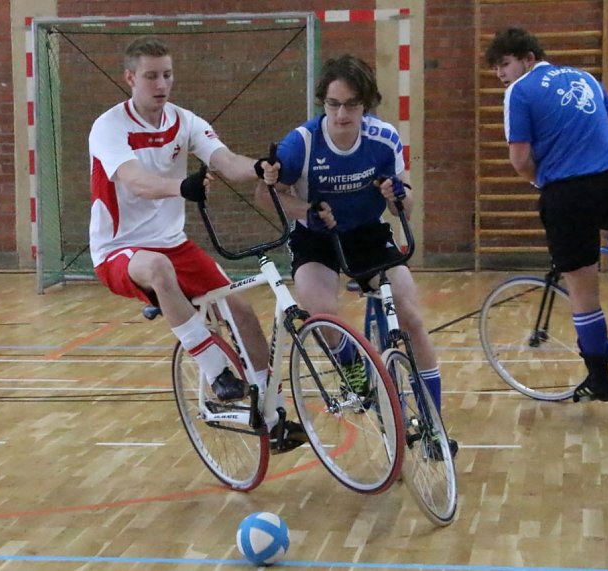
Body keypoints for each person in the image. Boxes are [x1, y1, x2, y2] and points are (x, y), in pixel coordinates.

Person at [88, 35, 306, 452]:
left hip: (173, 243)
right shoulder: (109, 127)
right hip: (119, 249)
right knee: (158, 269)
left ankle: (274, 414)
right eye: (150, 76)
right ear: (130, 78)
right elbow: (135, 180)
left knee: (241, 310)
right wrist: (181, 186)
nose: (160, 84)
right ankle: (215, 368)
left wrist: (258, 168)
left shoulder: (184, 121)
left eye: (166, 75)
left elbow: (224, 161)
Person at [256, 54, 457, 456]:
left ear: (365, 104)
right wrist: (305, 211)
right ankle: (352, 361)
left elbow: (408, 198)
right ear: (323, 104)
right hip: (316, 238)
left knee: (411, 315)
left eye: (350, 104)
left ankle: (433, 424)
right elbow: (265, 196)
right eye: (333, 104)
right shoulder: (303, 143)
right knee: (320, 310)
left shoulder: (383, 140)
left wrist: (399, 195)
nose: (341, 113)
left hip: (366, 234)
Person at [485, 27, 608, 403]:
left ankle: (600, 379)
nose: (500, 74)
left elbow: (520, 160)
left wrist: (542, 183)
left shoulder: (521, 91)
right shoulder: (585, 77)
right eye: (496, 68)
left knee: (583, 291)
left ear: (529, 59)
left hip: (570, 195)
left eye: (505, 64)